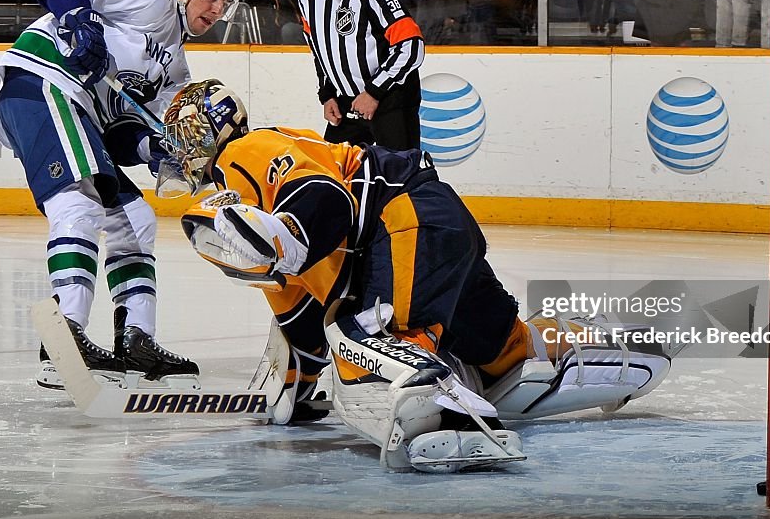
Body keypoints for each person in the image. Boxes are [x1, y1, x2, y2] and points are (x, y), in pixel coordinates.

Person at [162, 83, 672, 470]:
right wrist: (295, 391)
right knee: (503, 356)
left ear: (220, 126)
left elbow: (326, 200)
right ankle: (610, 351)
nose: (183, 149)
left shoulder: (245, 153)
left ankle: (453, 422)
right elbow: (300, 322)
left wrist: (288, 237)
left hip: (405, 220)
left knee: (372, 342)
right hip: (434, 224)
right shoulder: (261, 229)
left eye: (187, 133)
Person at [0, 0, 243, 390]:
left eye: (225, 4)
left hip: (79, 110)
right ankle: (64, 336)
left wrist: (154, 151)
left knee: (135, 221)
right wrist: (77, 19)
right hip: (44, 82)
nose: (217, 10)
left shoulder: (175, 67)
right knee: (79, 204)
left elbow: (123, 133)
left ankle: (136, 340)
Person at [297, 0, 423, 150]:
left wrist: (374, 92)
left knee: (400, 176)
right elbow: (319, 48)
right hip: (347, 103)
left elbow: (412, 45)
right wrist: (327, 94)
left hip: (389, 99)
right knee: (334, 173)